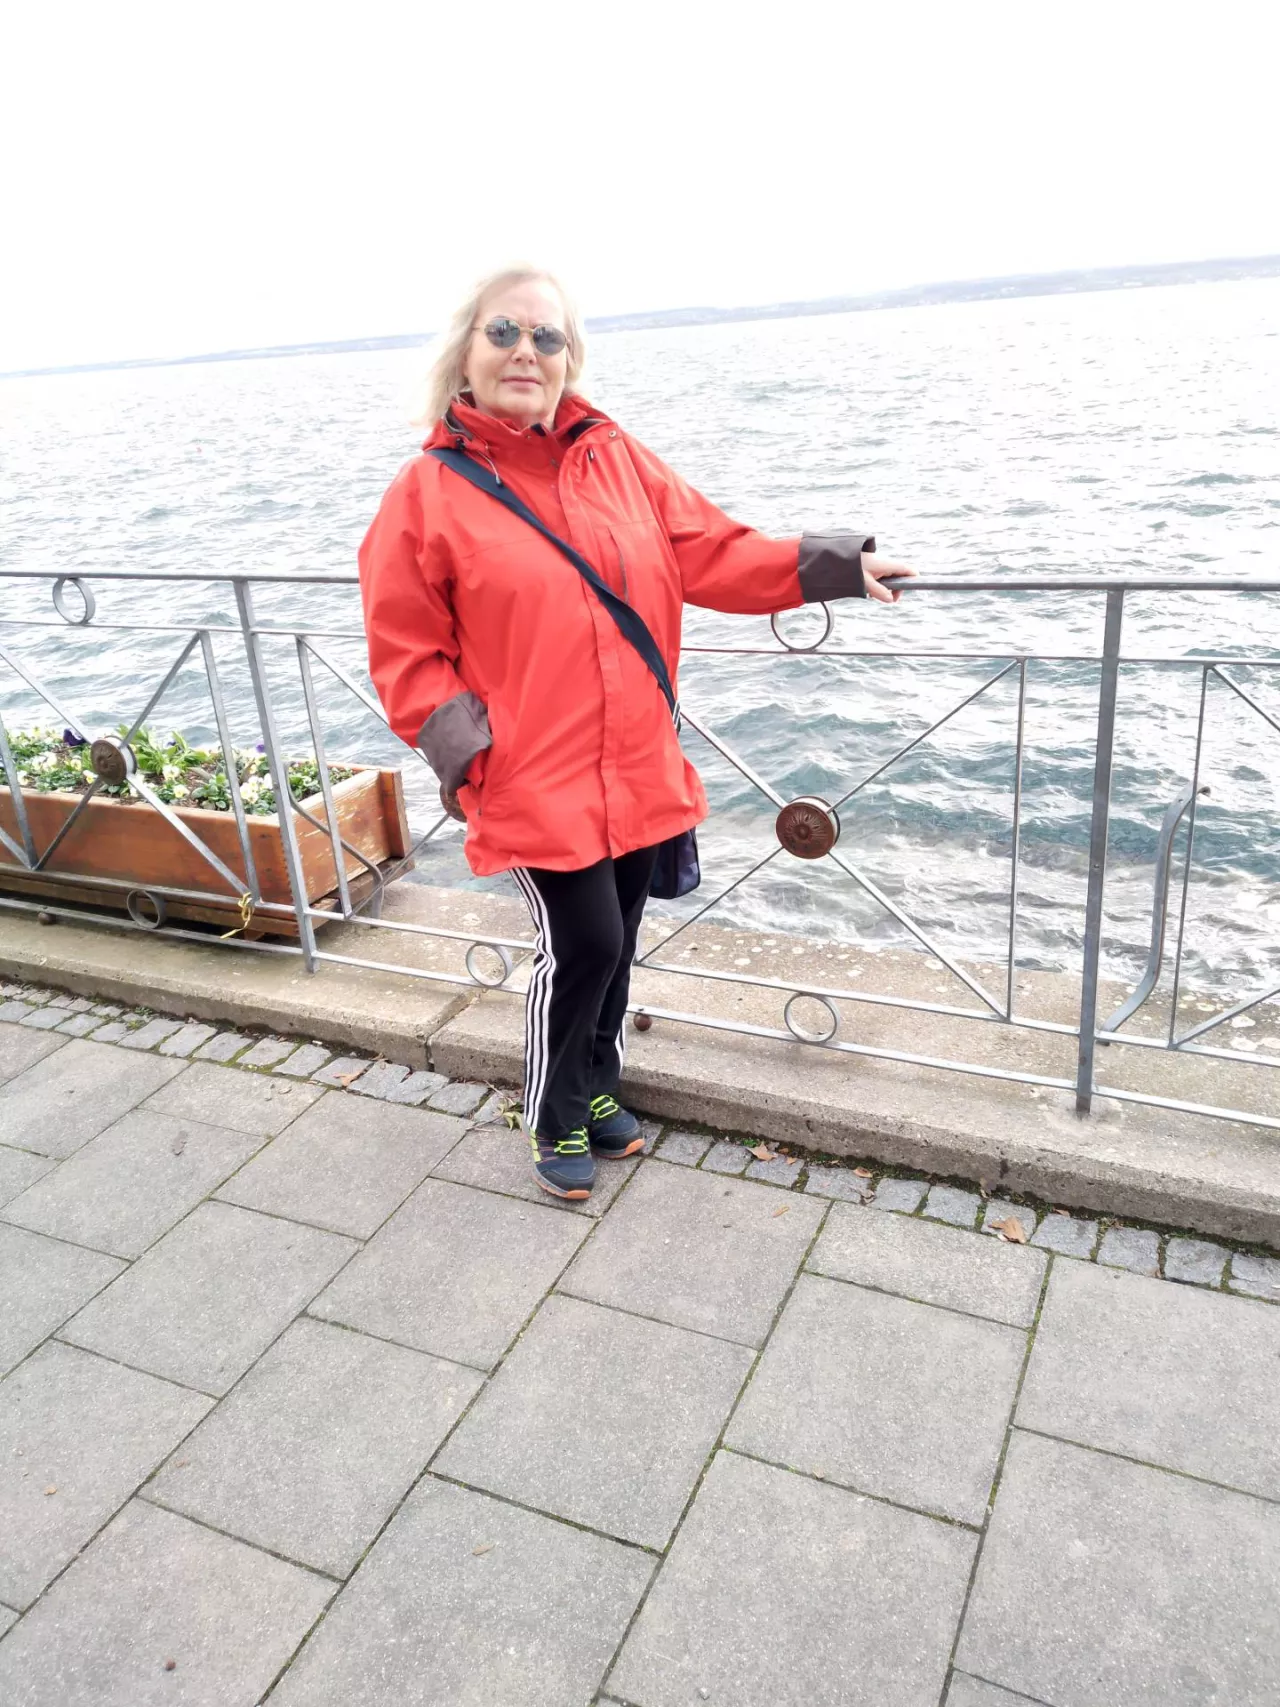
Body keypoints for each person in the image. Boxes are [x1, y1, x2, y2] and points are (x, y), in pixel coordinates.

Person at [358, 266, 916, 1201]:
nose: (527, 352)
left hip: (636, 758)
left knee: (618, 939)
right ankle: (552, 1111)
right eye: (505, 332)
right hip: (533, 776)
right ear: (466, 351)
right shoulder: (426, 493)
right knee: (583, 944)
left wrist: (833, 567)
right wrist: (472, 761)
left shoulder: (612, 456)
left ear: (569, 357)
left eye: (547, 336)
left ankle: (597, 1086)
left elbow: (713, 550)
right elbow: (405, 650)